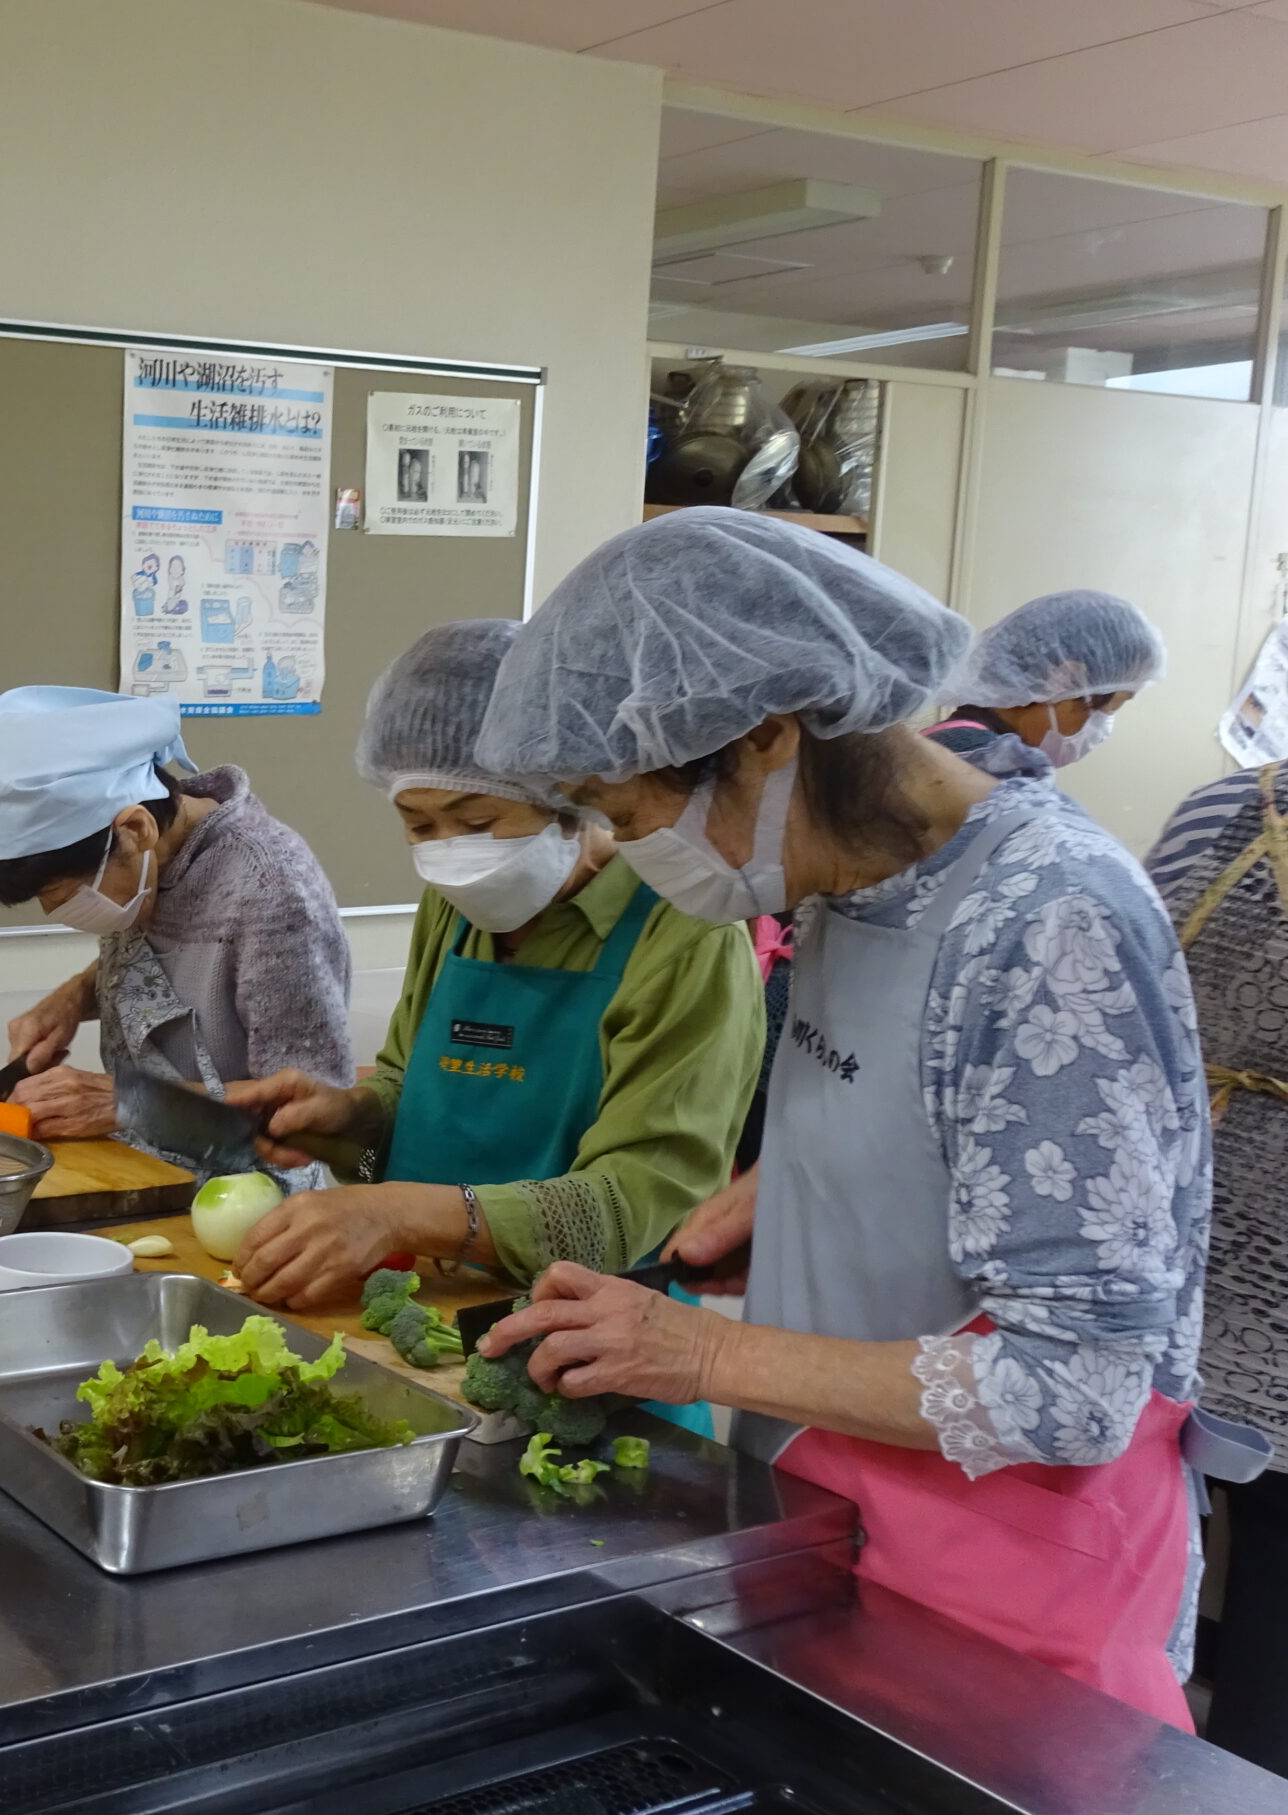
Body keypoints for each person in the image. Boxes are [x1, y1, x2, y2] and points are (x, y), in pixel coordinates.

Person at [466, 507, 1247, 1727]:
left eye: (625, 811)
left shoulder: (1050, 922)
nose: (624, 850)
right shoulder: (846, 881)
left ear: (768, 738)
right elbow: (961, 1118)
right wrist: (799, 1186)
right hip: (841, 1506)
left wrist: (701, 1355)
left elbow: (1074, 1387)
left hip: (1013, 1584)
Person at [229, 623, 765, 1351]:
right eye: (418, 825)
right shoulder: (454, 909)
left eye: (478, 822)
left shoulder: (686, 936)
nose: (451, 854)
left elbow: (637, 1210)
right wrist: (348, 1125)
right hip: (417, 1330)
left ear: (576, 801)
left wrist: (396, 1216)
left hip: (589, 1356)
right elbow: (402, 1123)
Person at [0, 687, 350, 1152]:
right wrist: (76, 996)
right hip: (145, 1166)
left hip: (253, 1202)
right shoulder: (149, 863)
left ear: (136, 828)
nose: (54, 913)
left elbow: (310, 1119)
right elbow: (175, 962)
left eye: (61, 894)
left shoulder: (272, 891)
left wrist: (128, 1103)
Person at [1146, 762, 1288, 1769]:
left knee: (1161, 1522)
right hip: (1235, 1242)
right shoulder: (1222, 809)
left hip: (1178, 1200)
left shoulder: (1218, 807)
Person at [926, 589, 1163, 771]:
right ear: (1066, 680)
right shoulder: (986, 762)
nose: (1101, 732)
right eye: (1106, 710)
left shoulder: (952, 741)